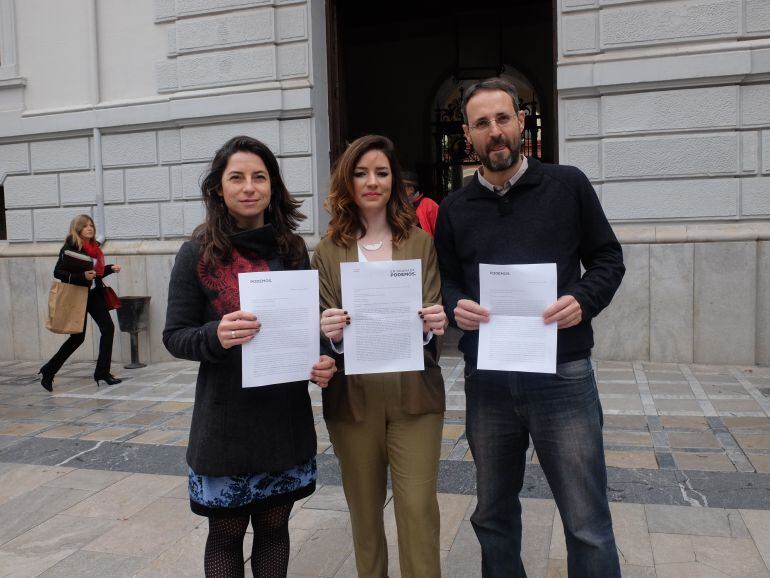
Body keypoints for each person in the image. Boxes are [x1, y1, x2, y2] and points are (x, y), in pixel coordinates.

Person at [434, 78, 626, 578]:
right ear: (467, 135)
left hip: (562, 375)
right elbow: (447, 279)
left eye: (503, 119)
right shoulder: (454, 209)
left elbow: (608, 259)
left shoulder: (568, 185)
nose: (494, 132)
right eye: (482, 123)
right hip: (489, 380)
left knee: (586, 520)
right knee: (493, 515)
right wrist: (457, 305)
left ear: (522, 122)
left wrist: (582, 300)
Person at [163, 135, 336, 578]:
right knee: (225, 536)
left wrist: (321, 357)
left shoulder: (293, 250)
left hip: (283, 416)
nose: (248, 187)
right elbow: (175, 335)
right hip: (225, 422)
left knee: (275, 529)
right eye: (236, 177)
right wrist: (215, 335)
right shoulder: (197, 253)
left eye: (259, 177)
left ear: (273, 186)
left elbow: (308, 321)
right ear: (218, 188)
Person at [312, 135, 447, 578]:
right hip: (354, 399)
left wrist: (433, 324)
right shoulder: (328, 250)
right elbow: (318, 326)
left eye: (382, 173)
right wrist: (327, 332)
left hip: (415, 397)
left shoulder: (419, 243)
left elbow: (433, 319)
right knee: (364, 515)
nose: (372, 181)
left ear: (396, 181)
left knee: (418, 509)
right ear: (346, 180)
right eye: (361, 172)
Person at [39, 214, 122, 391]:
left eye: (91, 225)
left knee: (108, 328)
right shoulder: (70, 247)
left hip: (93, 294)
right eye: (85, 226)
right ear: (78, 229)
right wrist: (81, 276)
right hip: (77, 296)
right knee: (78, 338)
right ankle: (49, 370)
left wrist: (109, 269)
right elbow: (58, 272)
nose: (90, 228)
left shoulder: (94, 248)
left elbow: (94, 273)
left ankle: (102, 373)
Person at [403, 170, 439, 237]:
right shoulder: (397, 205)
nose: (398, 190)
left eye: (402, 187)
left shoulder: (428, 204)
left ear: (412, 189)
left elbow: (440, 232)